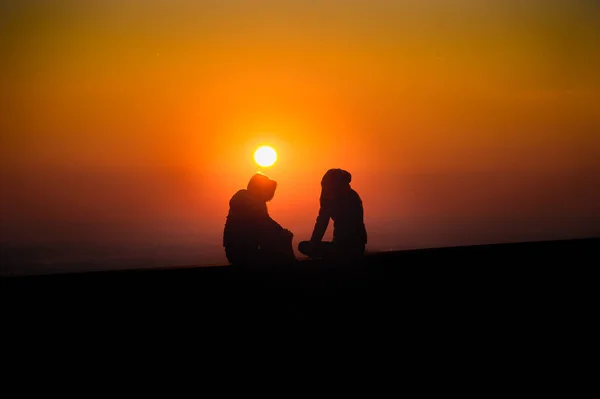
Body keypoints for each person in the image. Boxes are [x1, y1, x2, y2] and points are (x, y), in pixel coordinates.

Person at [223, 173, 297, 267]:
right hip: (239, 253)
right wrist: (281, 232)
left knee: (282, 241)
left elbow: (265, 224)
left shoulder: (257, 203)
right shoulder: (243, 199)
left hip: (250, 250)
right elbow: (263, 221)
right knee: (283, 245)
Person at [298, 168, 367, 261]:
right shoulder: (349, 195)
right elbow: (321, 223)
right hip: (345, 245)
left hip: (348, 247)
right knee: (303, 246)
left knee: (304, 246)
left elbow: (322, 223)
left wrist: (313, 245)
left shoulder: (348, 198)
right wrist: (313, 244)